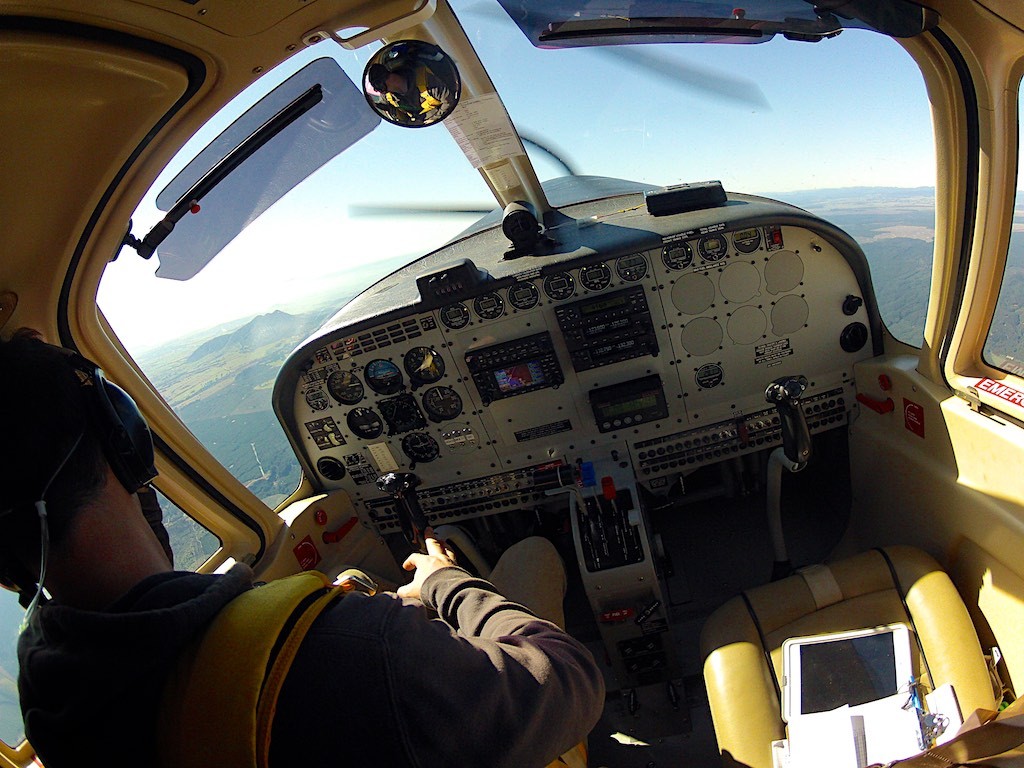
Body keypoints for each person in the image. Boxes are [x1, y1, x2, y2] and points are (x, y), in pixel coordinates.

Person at [0, 330, 605, 767]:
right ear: (123, 440)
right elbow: (573, 682)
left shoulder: (51, 697)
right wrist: (445, 585)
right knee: (532, 555)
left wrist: (381, 619)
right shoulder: (348, 649)